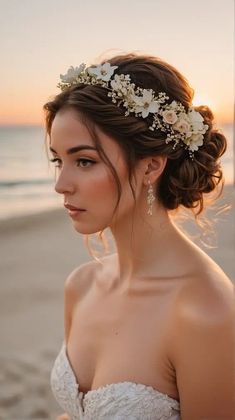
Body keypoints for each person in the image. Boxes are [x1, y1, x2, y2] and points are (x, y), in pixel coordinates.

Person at [43, 52, 235, 420]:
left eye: (84, 161)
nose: (60, 185)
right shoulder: (81, 286)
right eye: (58, 160)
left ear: (150, 166)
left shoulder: (204, 311)